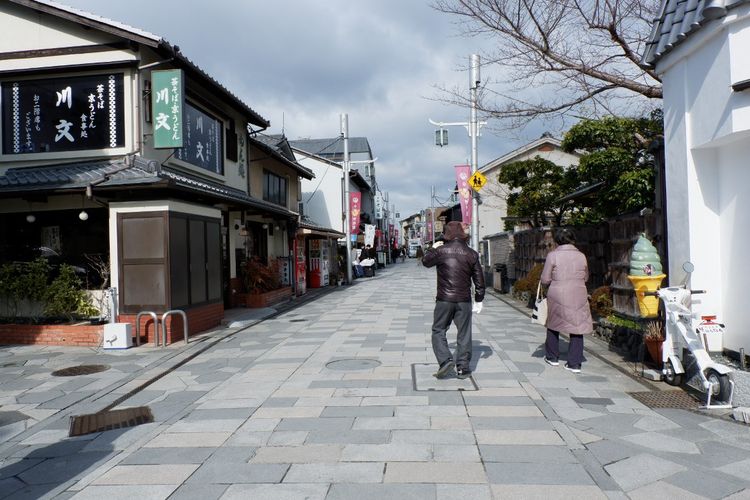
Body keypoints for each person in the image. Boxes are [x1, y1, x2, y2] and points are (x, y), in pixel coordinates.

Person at [422, 221, 485, 379]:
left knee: (438, 330)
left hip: (444, 299)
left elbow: (425, 262)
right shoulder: (471, 253)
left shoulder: (441, 251)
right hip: (464, 299)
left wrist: (433, 248)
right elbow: (479, 281)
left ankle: (445, 360)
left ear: (446, 234)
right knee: (464, 333)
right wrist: (479, 299)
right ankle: (463, 368)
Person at [540, 228, 593, 373]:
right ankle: (575, 363)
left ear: (557, 241)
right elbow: (586, 277)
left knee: (553, 323)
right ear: (572, 239)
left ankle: (552, 357)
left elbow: (545, 279)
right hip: (578, 293)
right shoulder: (581, 256)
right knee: (578, 325)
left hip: (558, 293)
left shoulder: (553, 255)